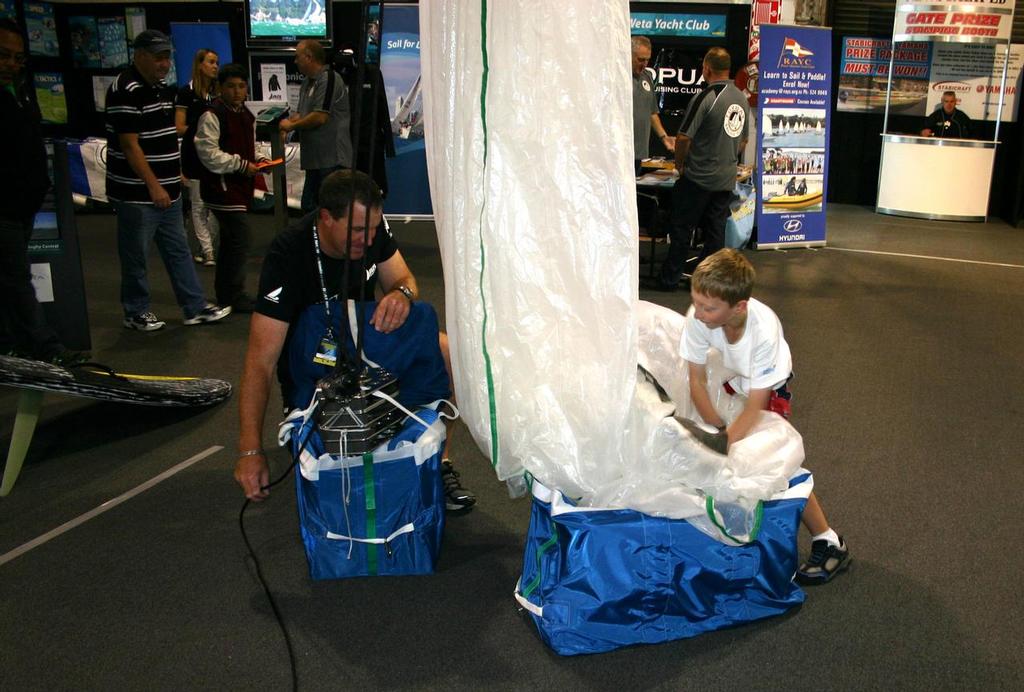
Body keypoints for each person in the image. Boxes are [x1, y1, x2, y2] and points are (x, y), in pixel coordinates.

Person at [233, 170, 475, 512]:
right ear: (326, 219)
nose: (369, 238)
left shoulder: (373, 231)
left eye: (374, 228)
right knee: (346, 489)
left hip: (369, 348)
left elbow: (404, 279)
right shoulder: (289, 255)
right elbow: (260, 362)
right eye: (359, 231)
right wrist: (250, 451)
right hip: (317, 371)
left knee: (447, 351)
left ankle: (439, 463)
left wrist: (401, 295)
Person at [681, 249, 850, 584]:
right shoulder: (699, 316)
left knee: (777, 460)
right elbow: (696, 380)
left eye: (708, 307)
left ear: (739, 306)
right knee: (725, 450)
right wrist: (715, 430)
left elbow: (757, 402)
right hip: (733, 378)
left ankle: (829, 540)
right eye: (696, 302)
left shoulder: (763, 330)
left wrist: (725, 443)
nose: (698, 313)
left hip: (767, 387)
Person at [105, 30, 230, 331]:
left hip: (168, 190)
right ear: (139, 55)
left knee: (178, 251)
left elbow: (164, 139)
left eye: (167, 57)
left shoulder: (161, 89)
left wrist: (174, 176)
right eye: (158, 57)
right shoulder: (125, 89)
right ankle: (135, 311)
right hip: (137, 194)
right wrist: (153, 185)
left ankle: (194, 307)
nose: (164, 63)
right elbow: (130, 145)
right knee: (136, 254)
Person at [0, 19, 88, 365]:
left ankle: (10, 344)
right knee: (17, 279)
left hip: (22, 207)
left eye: (17, 58)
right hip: (4, 209)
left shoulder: (18, 92)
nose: (11, 64)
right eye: (3, 56)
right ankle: (46, 349)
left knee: (10, 280)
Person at [648, 47, 749, 292]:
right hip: (724, 180)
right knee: (715, 235)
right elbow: (743, 141)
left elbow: (683, 138)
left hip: (698, 178)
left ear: (706, 68)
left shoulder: (707, 96)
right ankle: (709, 285)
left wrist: (681, 165)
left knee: (682, 229)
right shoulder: (741, 99)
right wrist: (724, 158)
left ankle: (670, 279)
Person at [194, 63, 264, 314]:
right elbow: (208, 153)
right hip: (221, 186)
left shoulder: (245, 114)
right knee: (240, 238)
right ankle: (233, 293)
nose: (237, 92)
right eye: (231, 87)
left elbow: (247, 146)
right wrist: (240, 164)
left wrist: (256, 161)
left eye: (241, 86)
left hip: (239, 185)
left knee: (232, 241)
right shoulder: (213, 113)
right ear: (220, 88)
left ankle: (227, 293)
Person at [279, 39, 352, 212]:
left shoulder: (329, 79)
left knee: (328, 211)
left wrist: (290, 126)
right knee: (310, 208)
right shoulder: (307, 82)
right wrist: (286, 127)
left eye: (298, 57)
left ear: (309, 57)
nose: (295, 61)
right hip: (315, 159)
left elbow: (320, 117)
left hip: (332, 159)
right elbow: (302, 115)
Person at [176, 47, 220, 267]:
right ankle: (207, 250)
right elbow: (179, 127)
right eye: (211, 62)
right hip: (193, 155)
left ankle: (208, 247)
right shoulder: (186, 93)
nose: (215, 66)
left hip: (216, 156)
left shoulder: (219, 93)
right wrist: (201, 129)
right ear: (200, 64)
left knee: (218, 205)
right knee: (198, 204)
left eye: (216, 62)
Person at [631, 36, 674, 174]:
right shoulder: (617, 78)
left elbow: (652, 112)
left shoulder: (647, 77)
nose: (644, 64)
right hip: (621, 152)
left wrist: (664, 137)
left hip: (640, 152)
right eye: (640, 59)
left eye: (647, 59)